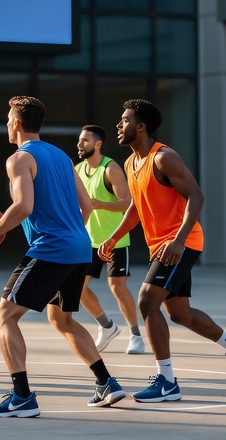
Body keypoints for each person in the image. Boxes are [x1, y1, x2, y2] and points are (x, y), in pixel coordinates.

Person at [0, 96, 126, 417]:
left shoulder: (19, 159)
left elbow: (23, 207)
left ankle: (22, 396)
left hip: (51, 248)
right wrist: (71, 234)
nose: (7, 124)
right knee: (62, 318)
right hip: (79, 247)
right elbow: (85, 207)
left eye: (8, 119)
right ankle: (106, 383)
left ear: (15, 123)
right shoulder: (61, 157)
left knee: (4, 316)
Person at [100, 99, 226, 403]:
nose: (119, 125)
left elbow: (196, 197)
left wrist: (179, 240)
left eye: (125, 120)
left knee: (146, 302)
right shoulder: (132, 163)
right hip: (161, 245)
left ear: (141, 126)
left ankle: (167, 382)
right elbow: (135, 208)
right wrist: (113, 237)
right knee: (179, 313)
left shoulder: (164, 158)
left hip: (180, 243)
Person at [75, 124, 145, 355]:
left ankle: (135, 335)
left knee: (117, 286)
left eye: (85, 140)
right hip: (88, 240)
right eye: (79, 140)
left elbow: (127, 202)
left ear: (98, 144)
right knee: (76, 288)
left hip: (115, 239)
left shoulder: (111, 168)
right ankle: (106, 326)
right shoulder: (77, 170)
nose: (80, 144)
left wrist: (99, 204)